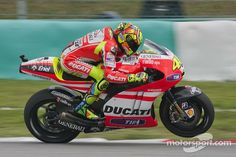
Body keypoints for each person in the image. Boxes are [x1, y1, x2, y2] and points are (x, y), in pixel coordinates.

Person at [60, 22, 148, 120]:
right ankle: (82, 108)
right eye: (133, 44)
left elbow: (117, 55)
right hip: (70, 60)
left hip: (74, 54)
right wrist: (132, 77)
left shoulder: (110, 34)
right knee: (103, 77)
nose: (133, 48)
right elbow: (109, 75)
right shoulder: (110, 46)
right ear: (124, 38)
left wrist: (139, 55)